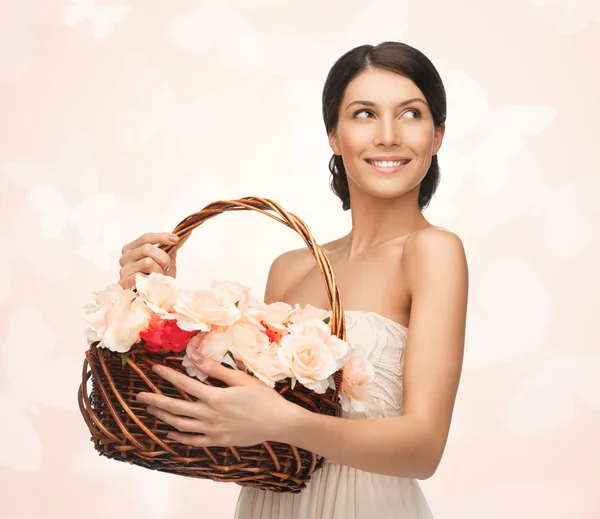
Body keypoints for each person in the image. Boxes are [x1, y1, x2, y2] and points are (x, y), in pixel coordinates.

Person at [119, 41, 468, 519]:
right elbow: (245, 425)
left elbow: (423, 448)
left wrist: (288, 421)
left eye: (410, 114)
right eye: (364, 113)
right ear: (334, 134)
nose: (388, 135)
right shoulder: (290, 268)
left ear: (438, 135)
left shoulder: (432, 251)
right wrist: (153, 303)